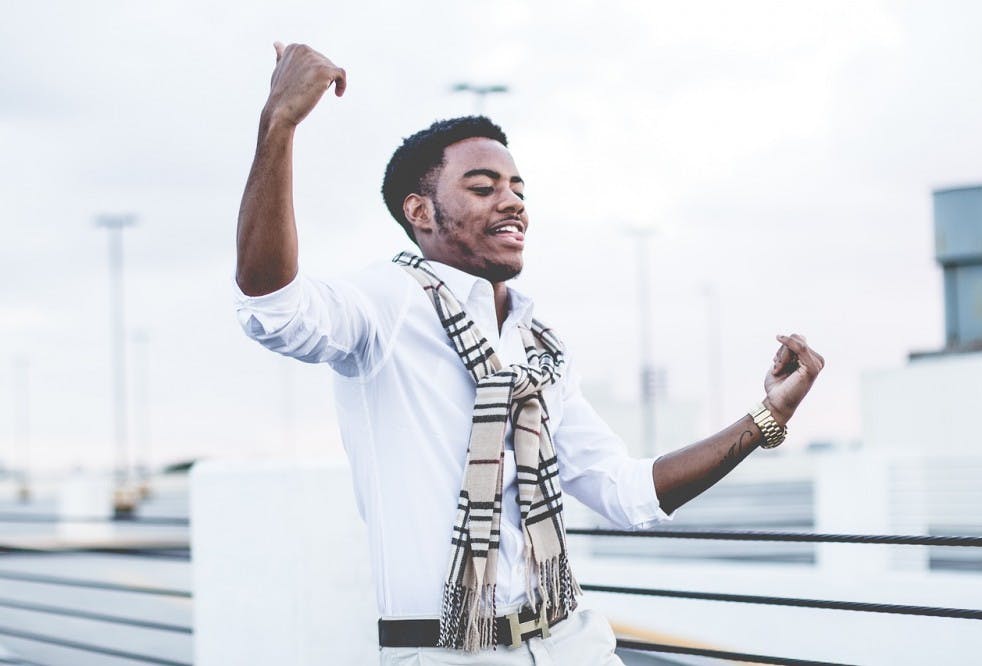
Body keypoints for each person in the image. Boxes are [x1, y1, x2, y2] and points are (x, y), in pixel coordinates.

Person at [234, 42, 825, 665]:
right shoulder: (386, 304)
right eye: (482, 187)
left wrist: (767, 417)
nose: (513, 201)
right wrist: (280, 123)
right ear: (420, 211)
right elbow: (273, 308)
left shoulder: (536, 348)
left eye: (517, 188)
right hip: (449, 653)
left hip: (571, 640)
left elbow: (626, 493)